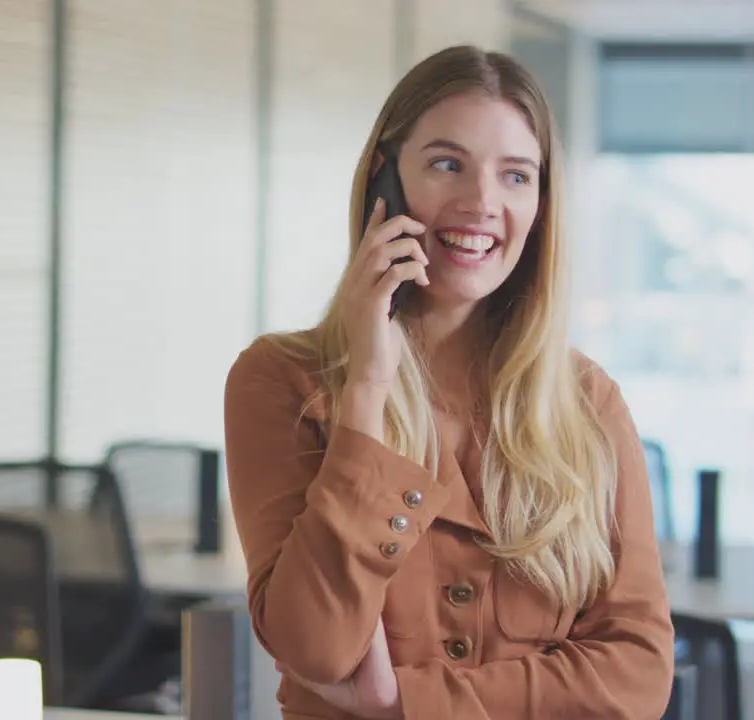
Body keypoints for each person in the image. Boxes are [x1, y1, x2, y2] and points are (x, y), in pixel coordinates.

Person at [223, 45, 674, 719]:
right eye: (446, 165)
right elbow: (314, 647)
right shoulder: (282, 381)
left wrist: (401, 702)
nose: (481, 202)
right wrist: (367, 389)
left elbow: (638, 672)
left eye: (516, 176)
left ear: (541, 205)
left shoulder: (587, 401)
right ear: (386, 183)